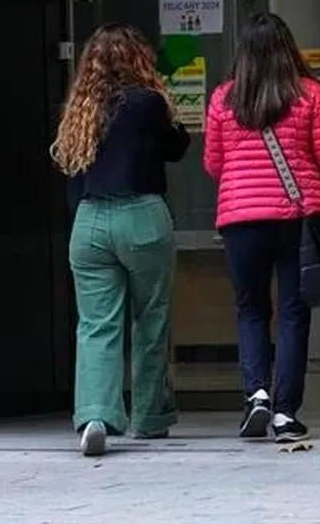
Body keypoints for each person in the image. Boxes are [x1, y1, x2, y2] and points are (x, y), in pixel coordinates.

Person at [203, 13, 320, 444]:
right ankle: (284, 414)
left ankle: (256, 395)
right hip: (297, 219)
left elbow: (213, 164)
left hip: (240, 220)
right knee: (294, 313)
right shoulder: (309, 94)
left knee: (251, 310)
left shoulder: (223, 99)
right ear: (286, 48)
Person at [51, 23, 191, 457]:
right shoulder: (147, 101)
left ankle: (95, 414)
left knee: (95, 325)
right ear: (137, 59)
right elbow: (175, 147)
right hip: (141, 216)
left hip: (89, 223)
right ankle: (148, 417)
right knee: (150, 319)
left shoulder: (79, 107)